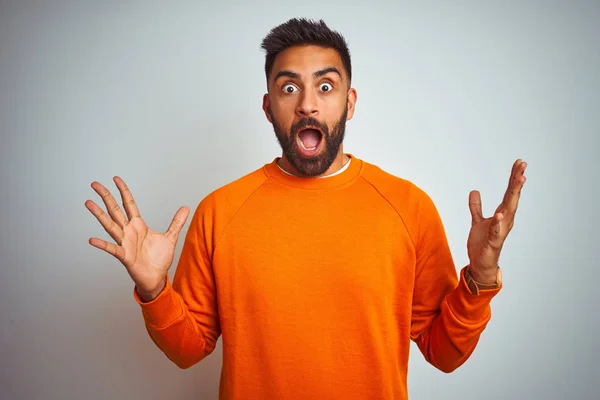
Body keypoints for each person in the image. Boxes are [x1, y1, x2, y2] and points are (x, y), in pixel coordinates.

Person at [85, 18, 527, 400]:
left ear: (349, 104)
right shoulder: (221, 211)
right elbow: (188, 350)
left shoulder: (408, 207)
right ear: (268, 107)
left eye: (326, 85)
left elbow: (445, 353)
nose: (308, 103)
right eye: (289, 87)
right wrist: (153, 289)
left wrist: (481, 278)